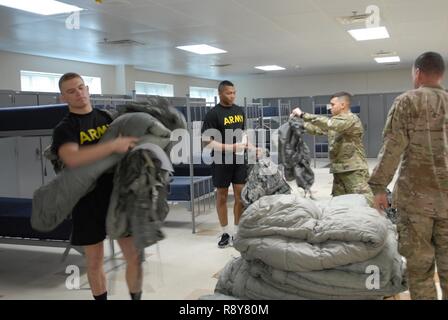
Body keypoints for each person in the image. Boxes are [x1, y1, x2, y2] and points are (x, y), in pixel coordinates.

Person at [51, 72, 142, 300]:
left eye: (81, 87)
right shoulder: (65, 129)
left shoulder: (108, 118)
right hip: (86, 201)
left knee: (133, 256)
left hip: (117, 197)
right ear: (63, 97)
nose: (78, 93)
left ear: (88, 89)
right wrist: (113, 146)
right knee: (94, 260)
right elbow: (73, 158)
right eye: (71, 91)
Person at [368, 52, 448, 300]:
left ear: (417, 72)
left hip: (416, 204)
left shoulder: (407, 101)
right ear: (441, 74)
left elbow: (393, 147)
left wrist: (379, 187)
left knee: (420, 270)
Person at [201, 80, 258, 248]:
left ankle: (236, 231)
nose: (232, 96)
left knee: (240, 197)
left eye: (234, 92)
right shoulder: (213, 114)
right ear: (220, 94)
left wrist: (253, 147)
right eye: (228, 93)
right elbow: (207, 142)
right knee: (222, 196)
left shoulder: (239, 111)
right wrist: (229, 147)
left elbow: (243, 135)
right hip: (220, 161)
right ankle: (225, 232)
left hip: (239, 160)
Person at [291, 92, 373, 205]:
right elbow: (318, 130)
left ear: (343, 105)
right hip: (339, 170)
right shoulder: (336, 122)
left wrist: (303, 115)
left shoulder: (350, 119)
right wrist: (300, 125)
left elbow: (329, 124)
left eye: (332, 104)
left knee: (364, 202)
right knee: (340, 204)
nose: (330, 107)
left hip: (353, 170)